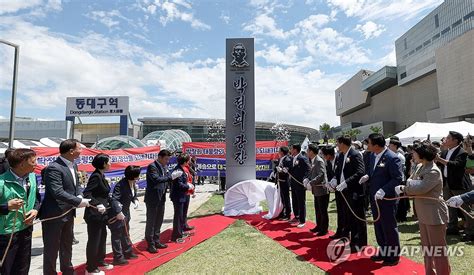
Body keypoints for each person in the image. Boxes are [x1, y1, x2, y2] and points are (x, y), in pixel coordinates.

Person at [395, 143, 450, 274]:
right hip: (423, 212)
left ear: (423, 155)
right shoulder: (420, 166)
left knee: (438, 249)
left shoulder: (433, 171)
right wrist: (410, 186)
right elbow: (410, 181)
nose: (412, 154)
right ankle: (429, 272)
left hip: (434, 213)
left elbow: (421, 188)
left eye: (415, 153)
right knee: (426, 247)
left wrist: (405, 188)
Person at [40, 139, 91, 275]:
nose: (81, 151)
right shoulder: (54, 167)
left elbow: (77, 185)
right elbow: (57, 191)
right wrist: (77, 201)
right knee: (52, 248)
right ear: (71, 151)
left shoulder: (73, 165)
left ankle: (68, 270)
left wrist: (79, 195)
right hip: (54, 214)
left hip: (68, 212)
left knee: (67, 244)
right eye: (79, 148)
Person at [363, 133, 403, 266]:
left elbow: (397, 178)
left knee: (389, 226)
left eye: (369, 143)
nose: (366, 145)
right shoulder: (372, 155)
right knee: (378, 225)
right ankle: (383, 250)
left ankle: (393, 255)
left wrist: (384, 189)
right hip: (375, 197)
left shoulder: (392, 158)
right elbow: (372, 171)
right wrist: (368, 176)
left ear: (376, 145)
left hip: (387, 198)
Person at [0, 149, 41, 275]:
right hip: (6, 234)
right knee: (6, 268)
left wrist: (35, 210)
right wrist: (7, 206)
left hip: (26, 229)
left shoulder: (32, 177)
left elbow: (37, 198)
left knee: (23, 267)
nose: (36, 164)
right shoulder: (2, 182)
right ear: (22, 164)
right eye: (33, 161)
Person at [329, 135, 367, 252]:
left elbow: (360, 172)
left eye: (337, 143)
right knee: (348, 216)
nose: (336, 145)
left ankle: (360, 243)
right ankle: (351, 240)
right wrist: (335, 179)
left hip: (354, 190)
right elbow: (338, 170)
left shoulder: (355, 154)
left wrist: (346, 182)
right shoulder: (341, 155)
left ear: (343, 144)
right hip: (343, 191)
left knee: (358, 217)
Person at [435, 131, 473, 241]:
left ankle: (471, 231)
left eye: (448, 138)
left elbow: (456, 165)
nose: (445, 139)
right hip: (447, 183)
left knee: (465, 209)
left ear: (455, 140)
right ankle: (452, 227)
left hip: (459, 184)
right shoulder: (445, 151)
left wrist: (440, 159)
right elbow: (439, 163)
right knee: (450, 207)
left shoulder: (462, 152)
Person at [83, 154, 113, 275]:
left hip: (102, 214)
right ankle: (90, 267)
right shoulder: (95, 176)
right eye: (109, 162)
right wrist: (96, 204)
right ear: (104, 164)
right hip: (94, 214)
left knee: (102, 238)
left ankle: (100, 260)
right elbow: (87, 193)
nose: (110, 164)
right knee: (94, 240)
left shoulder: (102, 175)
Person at [144, 149, 176, 253]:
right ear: (160, 157)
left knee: (159, 220)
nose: (167, 161)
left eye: (168, 159)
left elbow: (166, 179)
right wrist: (170, 177)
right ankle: (150, 244)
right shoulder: (152, 166)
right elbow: (156, 179)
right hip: (152, 198)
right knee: (151, 222)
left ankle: (157, 240)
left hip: (161, 197)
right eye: (166, 159)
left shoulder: (164, 167)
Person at [110, 165, 140, 265]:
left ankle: (128, 252)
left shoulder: (132, 183)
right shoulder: (120, 185)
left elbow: (132, 194)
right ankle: (118, 257)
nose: (139, 177)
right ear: (133, 176)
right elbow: (114, 199)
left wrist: (135, 199)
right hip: (118, 214)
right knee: (117, 235)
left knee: (126, 233)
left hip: (126, 212)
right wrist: (118, 211)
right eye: (138, 175)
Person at [304, 144, 329, 236]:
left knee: (322, 211)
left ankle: (324, 229)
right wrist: (308, 179)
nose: (307, 152)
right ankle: (319, 226)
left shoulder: (319, 160)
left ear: (311, 151)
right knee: (317, 209)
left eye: (308, 150)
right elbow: (312, 173)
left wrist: (311, 182)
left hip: (321, 189)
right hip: (316, 190)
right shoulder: (313, 160)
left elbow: (321, 174)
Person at [170, 153, 193, 243]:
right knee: (178, 216)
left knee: (182, 215)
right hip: (178, 196)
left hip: (182, 195)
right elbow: (178, 184)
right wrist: (188, 186)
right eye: (188, 160)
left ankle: (181, 231)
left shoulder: (183, 168)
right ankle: (176, 236)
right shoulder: (178, 170)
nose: (189, 161)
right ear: (185, 161)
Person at [287, 144, 310, 228]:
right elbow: (292, 169)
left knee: (301, 202)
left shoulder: (302, 158)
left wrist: (305, 179)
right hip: (293, 183)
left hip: (300, 183)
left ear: (295, 150)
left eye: (291, 148)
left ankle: (302, 220)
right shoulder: (293, 158)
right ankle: (296, 216)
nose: (290, 150)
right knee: (295, 200)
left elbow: (308, 169)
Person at [275, 146, 293, 220]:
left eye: (279, 151)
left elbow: (287, 171)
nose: (278, 152)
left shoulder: (287, 159)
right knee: (282, 199)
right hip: (280, 181)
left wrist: (281, 170)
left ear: (282, 152)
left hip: (285, 181)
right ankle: (282, 212)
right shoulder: (281, 159)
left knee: (286, 198)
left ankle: (287, 214)